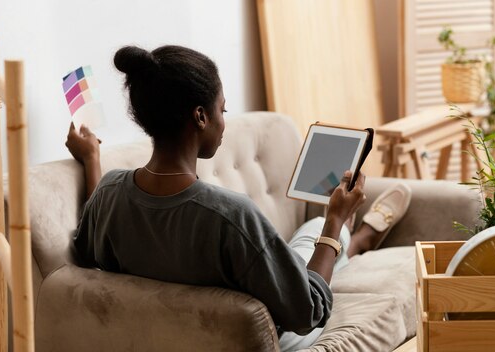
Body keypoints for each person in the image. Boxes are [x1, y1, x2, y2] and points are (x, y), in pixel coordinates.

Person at [66, 45, 410, 351]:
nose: (223, 122)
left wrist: (92, 161)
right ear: (201, 117)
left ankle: (354, 240)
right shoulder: (230, 217)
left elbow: (87, 243)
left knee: (301, 243)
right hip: (273, 336)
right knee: (318, 227)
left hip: (160, 338)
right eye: (222, 110)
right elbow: (308, 312)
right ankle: (353, 238)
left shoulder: (109, 193)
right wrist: (335, 220)